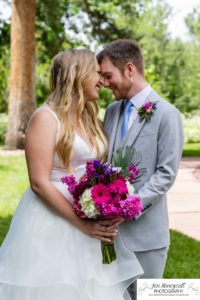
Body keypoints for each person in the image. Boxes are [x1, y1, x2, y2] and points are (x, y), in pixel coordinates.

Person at [0, 49, 143, 300]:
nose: (101, 80)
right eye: (96, 74)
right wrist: (82, 225)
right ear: (78, 75)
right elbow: (39, 183)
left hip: (89, 217)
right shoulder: (45, 118)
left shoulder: (89, 118)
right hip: (52, 220)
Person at [97, 39, 184, 299]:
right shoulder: (111, 111)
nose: (103, 82)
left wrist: (128, 207)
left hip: (147, 237)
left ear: (130, 69)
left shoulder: (168, 114)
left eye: (107, 75)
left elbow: (166, 174)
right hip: (110, 237)